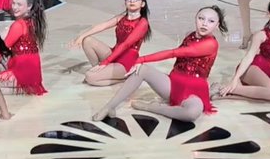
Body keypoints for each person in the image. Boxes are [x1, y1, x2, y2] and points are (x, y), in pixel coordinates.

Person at [92, 6, 224, 122]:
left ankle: (152, 107)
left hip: (194, 91)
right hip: (173, 84)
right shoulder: (190, 35)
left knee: (191, 113)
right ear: (195, 18)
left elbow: (173, 53)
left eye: (211, 21)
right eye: (201, 18)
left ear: (217, 25)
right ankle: (109, 106)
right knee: (142, 70)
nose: (205, 24)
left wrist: (141, 59)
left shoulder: (210, 44)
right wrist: (140, 63)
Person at [217, 0, 270, 103]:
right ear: (269, 13)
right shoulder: (261, 34)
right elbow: (249, 57)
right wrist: (235, 79)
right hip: (254, 69)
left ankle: (227, 93)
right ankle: (229, 88)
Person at [71, 0, 151, 87]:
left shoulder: (143, 23)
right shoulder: (121, 18)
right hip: (114, 53)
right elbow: (102, 26)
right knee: (87, 40)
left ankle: (124, 78)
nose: (132, 1)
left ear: (142, 4)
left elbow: (126, 44)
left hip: (127, 61)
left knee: (89, 77)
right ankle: (98, 70)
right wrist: (81, 36)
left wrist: (105, 63)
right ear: (125, 3)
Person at [0, 0, 48, 95]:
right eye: (13, 3)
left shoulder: (18, 25)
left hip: (22, 73)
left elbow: (2, 50)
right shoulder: (34, 21)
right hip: (33, 73)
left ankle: (21, 87)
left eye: (19, 4)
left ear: (29, 6)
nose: (14, 7)